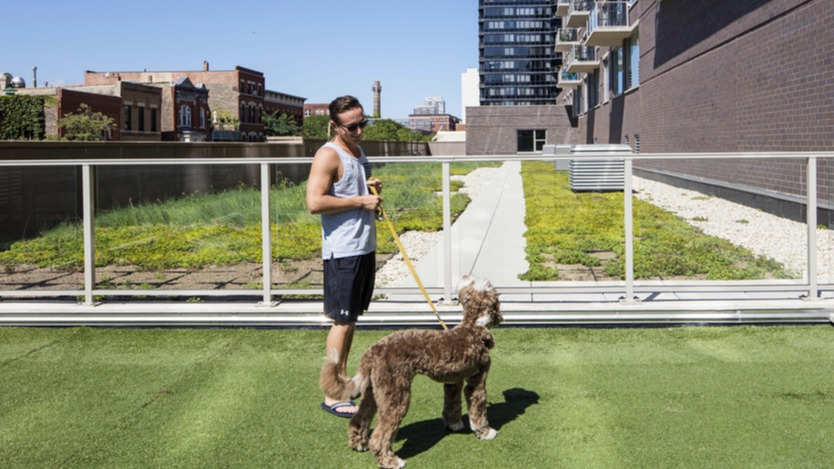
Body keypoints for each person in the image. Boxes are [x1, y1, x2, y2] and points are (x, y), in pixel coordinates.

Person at [306, 95, 382, 418]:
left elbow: (353, 190)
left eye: (363, 123)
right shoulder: (328, 154)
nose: (360, 131)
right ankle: (331, 393)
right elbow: (314, 203)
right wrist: (359, 201)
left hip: (364, 246)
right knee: (341, 320)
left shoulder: (357, 151)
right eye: (353, 126)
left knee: (351, 320)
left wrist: (370, 188)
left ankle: (344, 383)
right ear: (335, 126)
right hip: (343, 251)